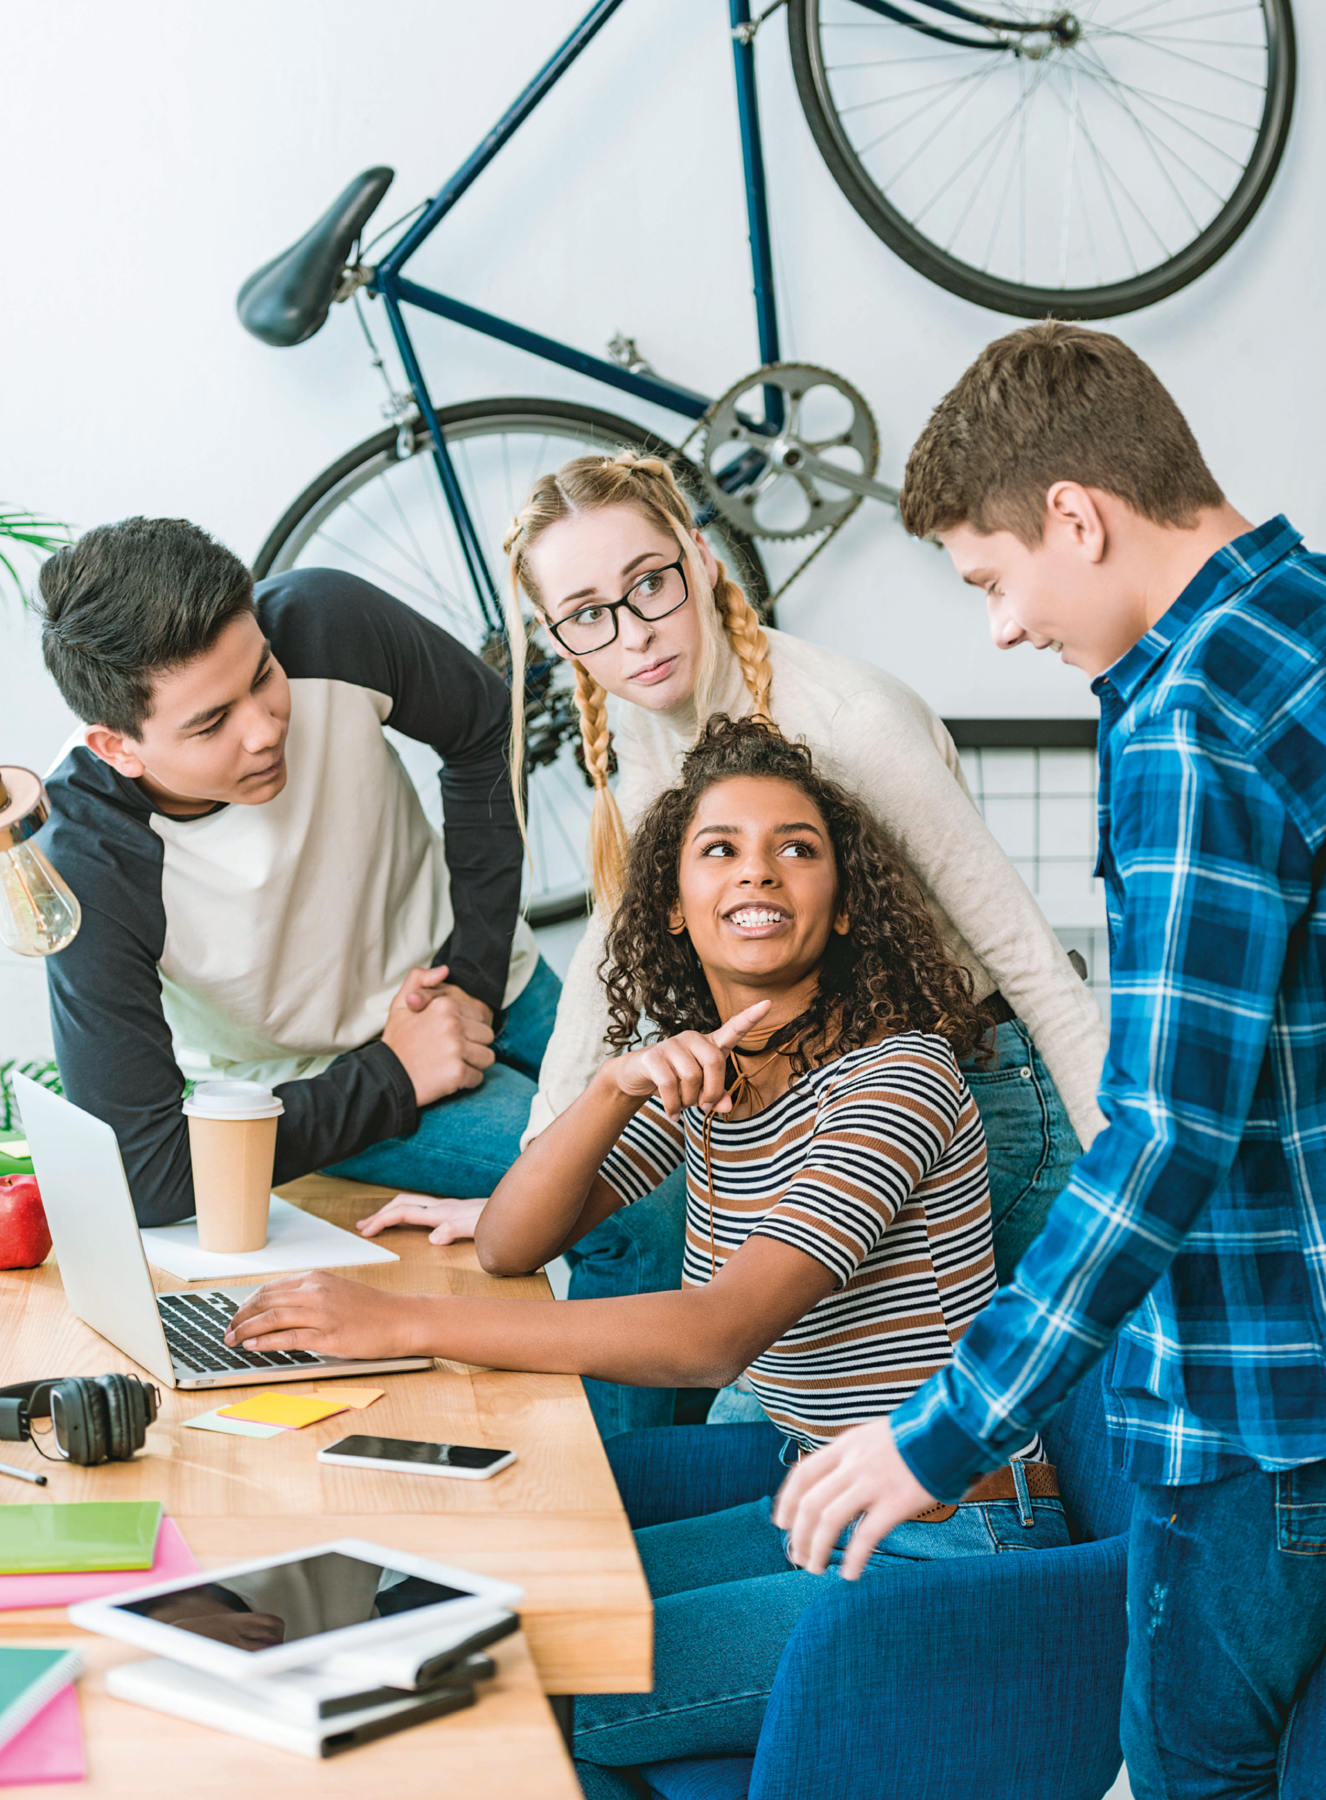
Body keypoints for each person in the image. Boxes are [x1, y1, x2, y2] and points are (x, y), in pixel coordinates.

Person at [224, 717, 1070, 1794]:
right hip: (826, 1504)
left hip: (955, 1541)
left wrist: (400, 1320)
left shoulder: (893, 1081)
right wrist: (614, 1087)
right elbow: (507, 1241)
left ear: (846, 904)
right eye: (719, 848)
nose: (757, 867)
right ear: (672, 902)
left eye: (796, 847)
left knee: (521, 1670)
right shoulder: (716, 1074)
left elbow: (714, 1338)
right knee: (476, 1610)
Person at [775, 321, 1326, 1799]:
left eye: (991, 576)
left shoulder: (1193, 714)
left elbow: (1159, 1133)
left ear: (1076, 515)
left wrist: (944, 1432)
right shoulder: (1307, 630)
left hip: (1256, 1418)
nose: (1004, 627)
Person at [360, 451, 1108, 1437]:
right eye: (587, 614)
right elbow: (604, 954)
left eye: (649, 585)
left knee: (1010, 1431)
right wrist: (536, 1173)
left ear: (702, 560)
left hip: (976, 1091)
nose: (633, 635)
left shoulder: (849, 722)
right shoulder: (644, 717)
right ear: (554, 639)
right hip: (810, 1087)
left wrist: (1132, 1191)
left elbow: (1031, 966)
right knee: (835, 1422)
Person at [35, 518, 559, 1225]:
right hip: (315, 1079)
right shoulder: (83, 862)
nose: (265, 728)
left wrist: (472, 978)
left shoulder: (326, 621)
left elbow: (483, 723)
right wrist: (391, 1077)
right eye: (211, 722)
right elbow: (144, 1170)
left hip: (484, 965)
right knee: (630, 1185)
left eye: (263, 676)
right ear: (117, 747)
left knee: (716, 1140)